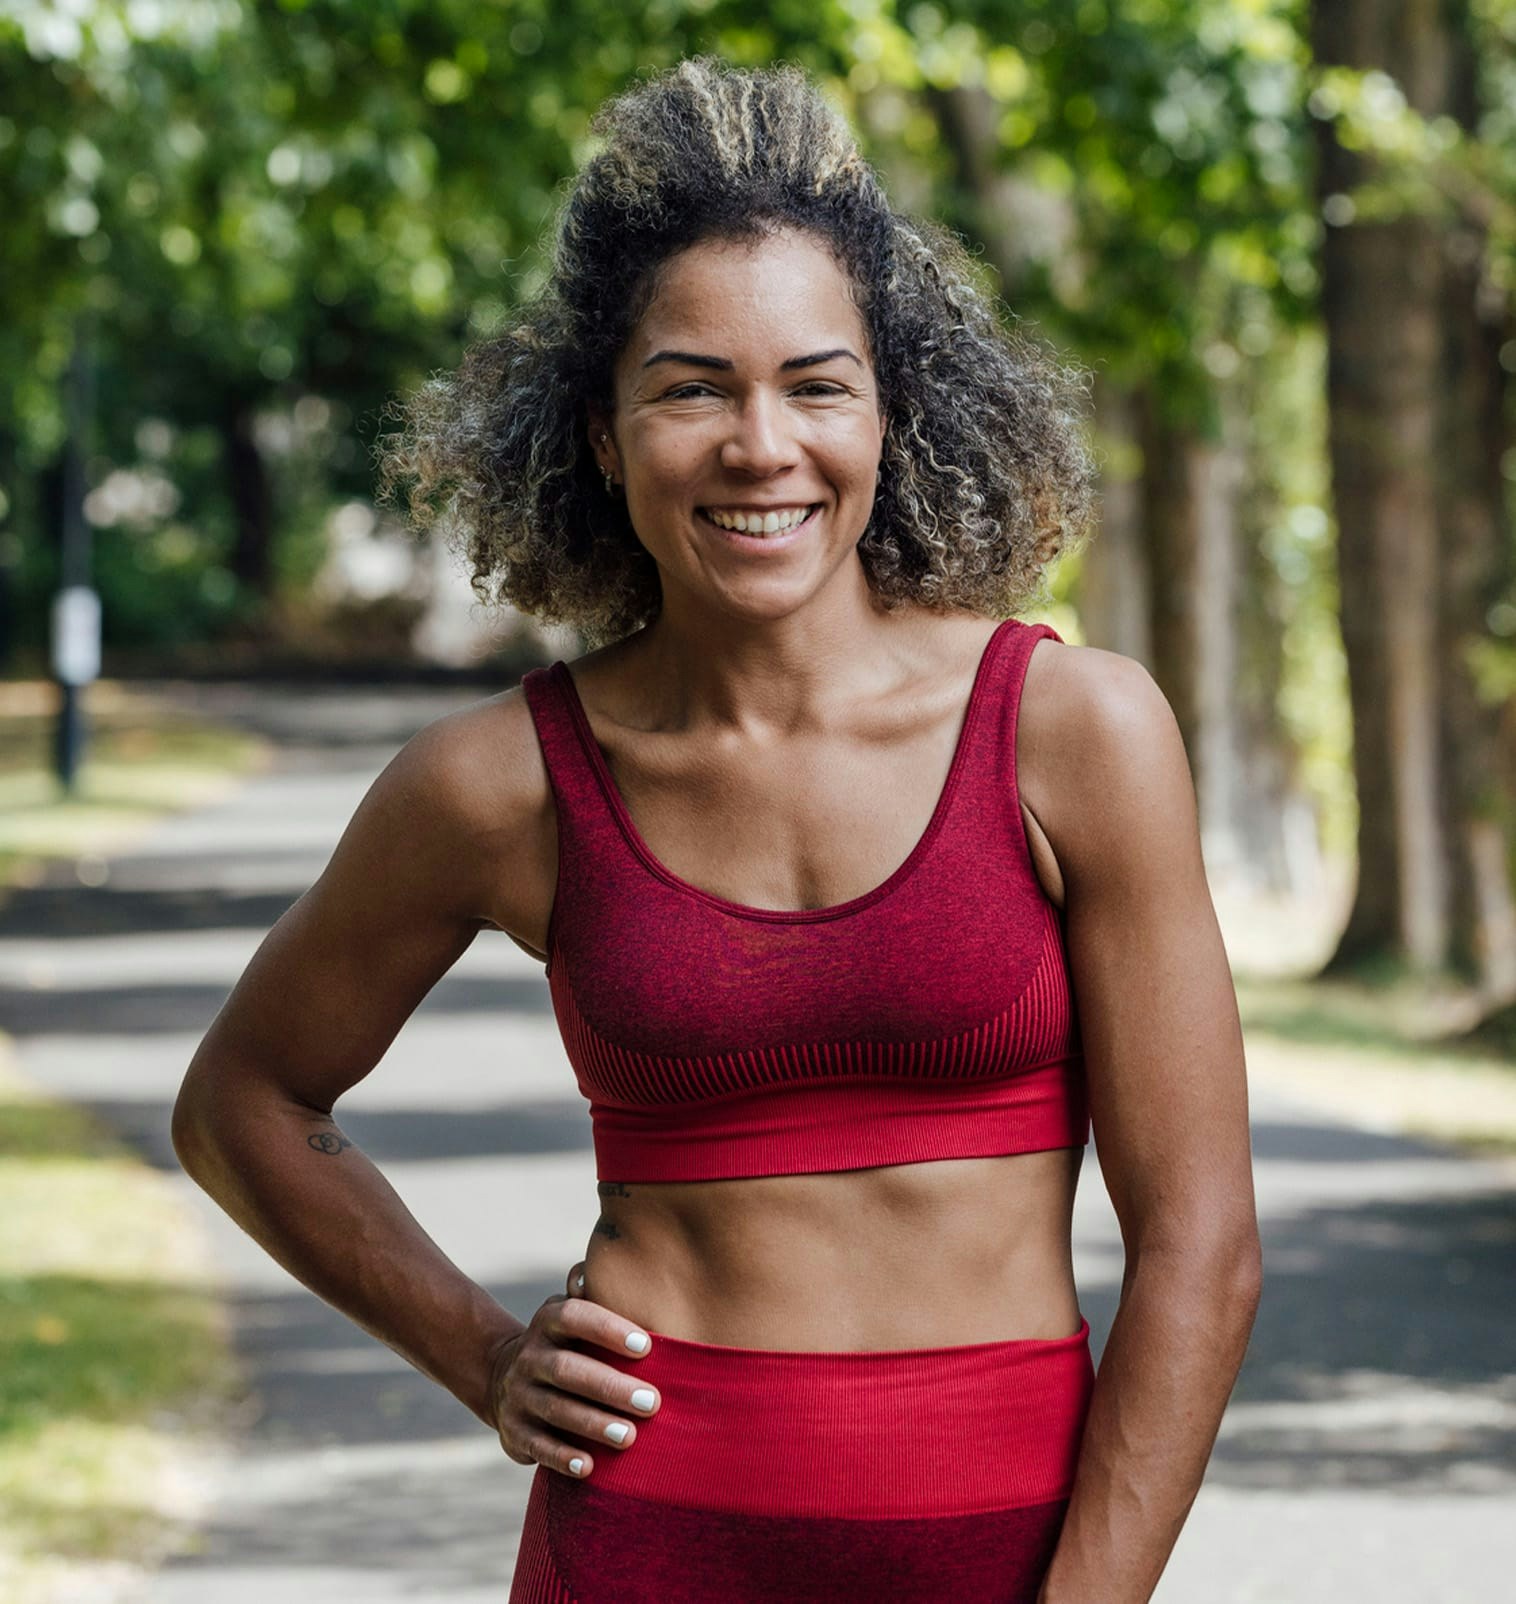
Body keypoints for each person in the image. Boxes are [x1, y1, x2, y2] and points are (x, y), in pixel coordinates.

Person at [172, 55, 1262, 1604]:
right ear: (605, 439)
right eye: (693, 387)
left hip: (1007, 1556)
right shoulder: (505, 784)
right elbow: (244, 1101)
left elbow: (1201, 1251)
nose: (764, 446)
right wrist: (485, 1356)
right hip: (645, 1550)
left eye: (818, 384)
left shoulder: (1075, 734)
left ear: (892, 414)